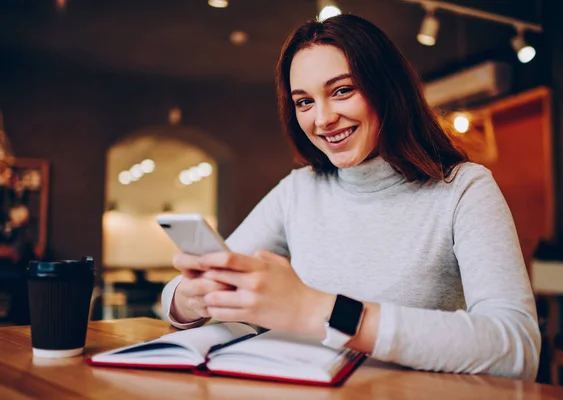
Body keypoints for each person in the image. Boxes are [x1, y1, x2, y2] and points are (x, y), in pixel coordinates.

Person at [161, 14, 541, 380]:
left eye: (342, 90)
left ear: (387, 90)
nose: (322, 119)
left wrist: (319, 311)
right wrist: (190, 299)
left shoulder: (464, 189)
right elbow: (178, 293)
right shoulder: (299, 189)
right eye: (304, 102)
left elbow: (518, 349)